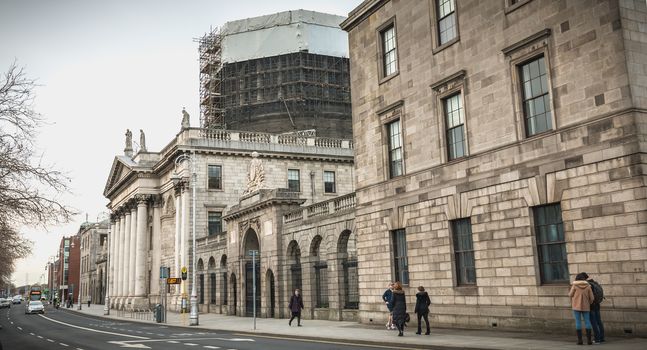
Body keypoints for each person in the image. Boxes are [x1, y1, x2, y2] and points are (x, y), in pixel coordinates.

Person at [569, 272, 594, 345]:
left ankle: (580, 341)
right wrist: (588, 302)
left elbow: (570, 294)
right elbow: (592, 298)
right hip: (586, 306)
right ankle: (589, 340)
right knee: (587, 321)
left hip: (576, 306)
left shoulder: (574, 285)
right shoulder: (588, 286)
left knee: (578, 322)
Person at [583, 273, 605, 344]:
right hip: (597, 304)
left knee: (594, 322)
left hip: (592, 305)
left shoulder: (588, 285)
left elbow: (590, 297)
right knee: (599, 321)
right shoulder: (595, 283)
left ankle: (597, 339)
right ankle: (602, 338)